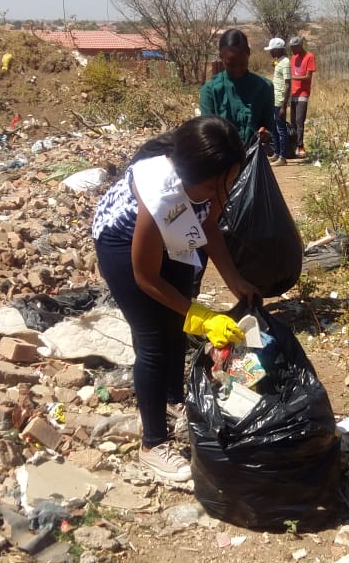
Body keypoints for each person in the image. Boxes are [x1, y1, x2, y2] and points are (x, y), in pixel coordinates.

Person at [92, 116, 259, 483]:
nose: (230, 188)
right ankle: (153, 444)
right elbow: (146, 278)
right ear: (196, 177)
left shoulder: (208, 185)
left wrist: (235, 280)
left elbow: (208, 224)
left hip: (174, 240)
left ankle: (171, 399)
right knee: (153, 340)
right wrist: (200, 314)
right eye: (226, 182)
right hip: (123, 246)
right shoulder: (162, 197)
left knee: (176, 325)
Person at [200, 29, 274, 147]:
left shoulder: (264, 87)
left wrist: (266, 134)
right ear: (221, 57)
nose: (237, 69)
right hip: (221, 161)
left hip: (253, 160)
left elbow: (270, 127)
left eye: (242, 64)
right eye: (230, 64)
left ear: (248, 54)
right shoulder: (210, 91)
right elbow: (207, 133)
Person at [264, 37, 291, 166]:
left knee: (281, 129)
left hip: (280, 101)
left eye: (272, 50)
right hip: (274, 100)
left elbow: (288, 85)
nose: (270, 52)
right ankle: (276, 153)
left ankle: (283, 157)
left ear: (278, 50)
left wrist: (283, 106)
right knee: (274, 128)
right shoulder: (279, 62)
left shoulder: (285, 62)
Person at [289, 36, 316, 158]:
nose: (293, 50)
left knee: (300, 121)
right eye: (291, 48)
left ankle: (301, 146)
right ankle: (293, 146)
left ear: (300, 46)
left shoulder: (309, 57)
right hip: (293, 93)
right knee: (293, 122)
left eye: (294, 47)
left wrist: (293, 78)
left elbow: (308, 76)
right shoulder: (293, 58)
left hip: (303, 93)